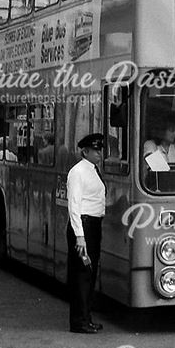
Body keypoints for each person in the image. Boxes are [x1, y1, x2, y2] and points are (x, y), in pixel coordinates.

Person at [66, 133, 107, 334]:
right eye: (96, 150)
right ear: (85, 151)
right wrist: (79, 237)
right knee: (82, 275)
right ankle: (79, 321)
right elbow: (74, 205)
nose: (100, 153)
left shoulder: (93, 170)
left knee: (89, 274)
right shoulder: (77, 172)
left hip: (93, 225)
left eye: (100, 149)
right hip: (83, 226)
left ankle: (86, 318)